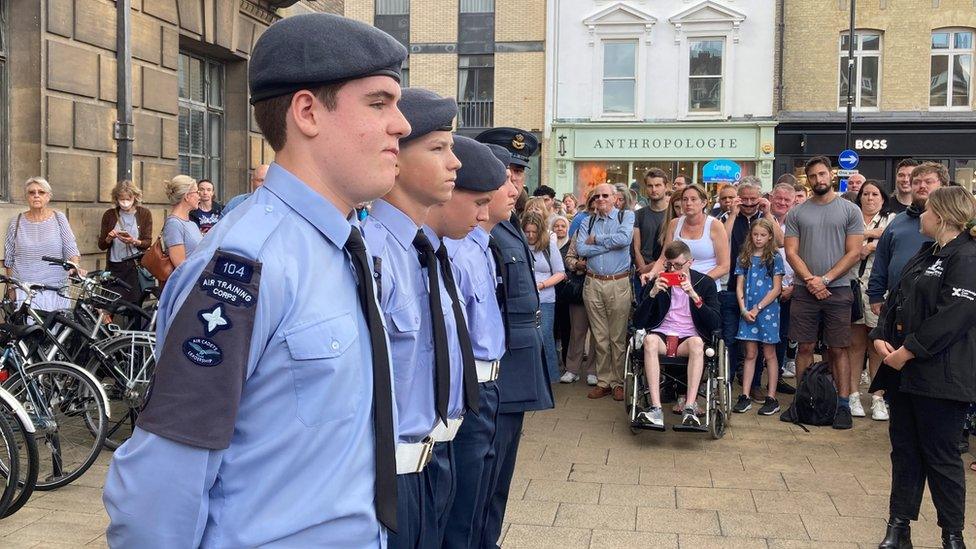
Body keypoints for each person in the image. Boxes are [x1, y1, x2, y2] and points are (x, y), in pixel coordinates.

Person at [103, 13, 410, 546]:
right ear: (308, 112)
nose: (402, 125)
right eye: (379, 103)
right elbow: (158, 488)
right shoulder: (246, 266)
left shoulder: (335, 248)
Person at [361, 87, 462, 549]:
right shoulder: (372, 253)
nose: (454, 163)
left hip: (431, 458)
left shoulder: (422, 249)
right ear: (395, 158)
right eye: (439, 148)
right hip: (388, 479)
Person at [870, 186, 976, 549]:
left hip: (942, 376)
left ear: (943, 216)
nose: (922, 216)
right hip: (905, 376)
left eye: (927, 210)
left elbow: (955, 315)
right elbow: (897, 298)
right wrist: (881, 337)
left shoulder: (966, 256)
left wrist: (910, 350)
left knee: (942, 456)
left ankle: (952, 535)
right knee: (905, 451)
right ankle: (898, 527)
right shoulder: (925, 251)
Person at [427, 135, 507, 549]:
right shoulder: (451, 250)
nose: (486, 210)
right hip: (464, 387)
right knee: (458, 508)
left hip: (485, 384)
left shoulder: (478, 246)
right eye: (479, 201)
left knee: (479, 495)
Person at [477, 126, 553, 549]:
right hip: (498, 368)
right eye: (507, 170)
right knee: (487, 478)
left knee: (501, 477)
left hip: (518, 363)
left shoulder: (506, 226)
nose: (515, 181)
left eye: (520, 172)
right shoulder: (486, 230)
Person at [783, 155, 864, 430]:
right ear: (808, 180)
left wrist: (826, 279)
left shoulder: (850, 211)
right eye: (813, 176)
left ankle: (842, 404)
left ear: (831, 175)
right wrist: (810, 280)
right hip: (805, 290)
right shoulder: (797, 212)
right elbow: (791, 251)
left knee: (838, 348)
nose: (818, 180)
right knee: (803, 347)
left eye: (822, 174)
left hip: (839, 289)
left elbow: (854, 252)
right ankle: (802, 401)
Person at [633, 240, 721, 428]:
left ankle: (690, 406)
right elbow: (638, 321)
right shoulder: (659, 280)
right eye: (669, 265)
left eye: (678, 265)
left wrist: (695, 296)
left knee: (698, 344)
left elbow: (715, 323)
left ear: (690, 262)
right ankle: (656, 409)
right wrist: (652, 294)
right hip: (662, 333)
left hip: (689, 337)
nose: (673, 269)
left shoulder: (704, 283)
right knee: (649, 341)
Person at [576, 182, 636, 401]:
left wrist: (598, 240)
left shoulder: (626, 217)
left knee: (617, 337)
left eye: (605, 195)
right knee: (600, 337)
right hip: (592, 283)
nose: (600, 199)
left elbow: (624, 240)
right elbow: (581, 249)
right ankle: (604, 382)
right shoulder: (588, 220)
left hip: (617, 283)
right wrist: (609, 244)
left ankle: (618, 382)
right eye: (597, 196)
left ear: (615, 198)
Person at [868, 162, 947, 317]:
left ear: (943, 185)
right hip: (899, 303)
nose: (921, 186)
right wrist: (875, 295)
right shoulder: (898, 221)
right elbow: (882, 260)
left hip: (940, 306)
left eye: (928, 182)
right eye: (916, 182)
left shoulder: (954, 222)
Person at [847, 180, 895, 421]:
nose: (869, 198)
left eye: (874, 194)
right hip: (853, 286)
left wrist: (873, 240)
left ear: (883, 198)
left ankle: (877, 397)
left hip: (878, 290)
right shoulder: (852, 217)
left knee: (877, 345)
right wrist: (868, 237)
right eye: (865, 194)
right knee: (855, 345)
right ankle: (853, 394)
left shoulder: (892, 219)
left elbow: (890, 242)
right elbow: (846, 245)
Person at [4, 177, 82, 311]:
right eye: (31, 192)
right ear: (26, 197)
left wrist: (74, 266)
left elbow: (70, 248)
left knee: (56, 331)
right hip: (25, 292)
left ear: (48, 197)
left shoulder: (59, 218)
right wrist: (11, 288)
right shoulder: (15, 222)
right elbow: (9, 259)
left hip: (55, 290)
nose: (36, 195)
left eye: (41, 192)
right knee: (29, 331)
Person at [732, 218, 785, 416]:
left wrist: (757, 308)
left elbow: (777, 288)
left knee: (769, 353)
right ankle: (745, 395)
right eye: (755, 234)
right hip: (748, 312)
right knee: (750, 353)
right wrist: (744, 309)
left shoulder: (774, 258)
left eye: (763, 235)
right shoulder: (744, 256)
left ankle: (771, 396)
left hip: (768, 311)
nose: (758, 238)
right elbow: (739, 285)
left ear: (770, 236)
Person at [655, 184, 730, 294]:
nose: (688, 203)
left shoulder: (715, 225)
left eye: (693, 199)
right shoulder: (674, 223)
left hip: (706, 289)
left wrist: (697, 282)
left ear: (704, 203)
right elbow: (663, 259)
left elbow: (724, 266)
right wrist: (652, 273)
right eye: (685, 199)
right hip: (676, 287)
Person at [522, 211, 565, 384]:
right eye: (527, 232)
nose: (531, 236)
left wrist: (542, 285)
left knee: (545, 336)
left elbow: (560, 273)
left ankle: (551, 377)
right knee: (527, 338)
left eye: (534, 232)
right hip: (525, 298)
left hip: (545, 299)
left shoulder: (549, 246)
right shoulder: (520, 245)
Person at [561, 198, 598, 386]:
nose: (595, 211)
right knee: (577, 330)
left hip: (601, 285)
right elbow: (569, 257)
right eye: (592, 209)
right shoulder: (580, 230)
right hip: (580, 284)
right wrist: (577, 264)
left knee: (597, 332)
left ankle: (593, 370)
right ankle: (572, 369)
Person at [98, 180, 153, 303]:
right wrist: (109, 238)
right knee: (108, 304)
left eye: (128, 198)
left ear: (135, 197)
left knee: (134, 306)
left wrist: (133, 241)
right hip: (115, 266)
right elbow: (101, 245)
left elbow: (147, 242)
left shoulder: (144, 214)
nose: (124, 202)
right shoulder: (110, 215)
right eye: (121, 199)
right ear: (116, 199)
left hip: (134, 266)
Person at [769, 183, 798, 379]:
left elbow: (804, 256)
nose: (782, 202)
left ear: (793, 202)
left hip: (788, 289)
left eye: (787, 200)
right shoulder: (761, 218)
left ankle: (777, 376)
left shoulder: (798, 224)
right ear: (771, 197)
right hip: (761, 288)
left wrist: (794, 286)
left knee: (781, 335)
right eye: (778, 198)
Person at [633, 169, 669, 281]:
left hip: (667, 270)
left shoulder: (673, 214)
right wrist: (643, 268)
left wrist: (654, 267)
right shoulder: (638, 214)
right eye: (650, 186)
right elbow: (635, 247)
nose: (654, 189)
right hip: (642, 272)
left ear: (666, 186)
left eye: (658, 185)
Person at [161, 175, 204, 269]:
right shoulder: (174, 224)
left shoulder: (192, 223)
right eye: (197, 192)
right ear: (187, 196)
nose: (199, 196)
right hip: (186, 281)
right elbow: (181, 266)